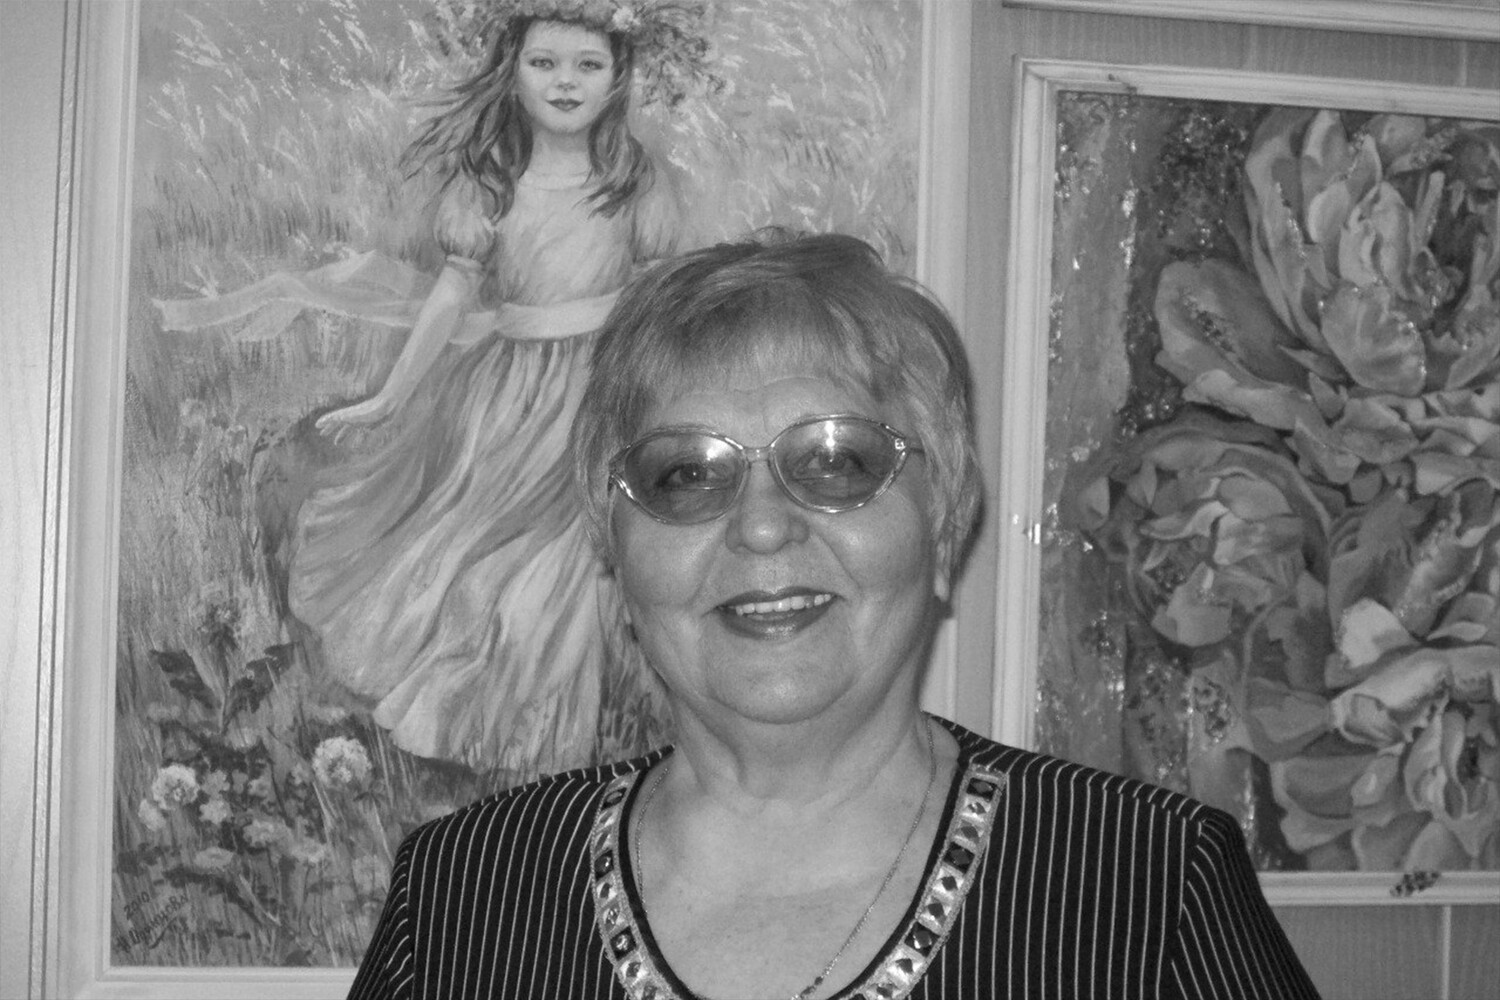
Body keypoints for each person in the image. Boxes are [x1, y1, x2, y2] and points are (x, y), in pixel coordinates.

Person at [347, 231, 1321, 999]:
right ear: (615, 547)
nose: (762, 527)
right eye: (686, 475)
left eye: (836, 462)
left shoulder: (1150, 888)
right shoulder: (461, 897)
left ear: (945, 525)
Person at [161, 1, 689, 772]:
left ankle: (547, 753)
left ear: (617, 78)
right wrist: (390, 398)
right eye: (544, 63)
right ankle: (485, 734)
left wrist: (657, 396)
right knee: (462, 560)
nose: (565, 82)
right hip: (504, 405)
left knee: (560, 570)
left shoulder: (633, 184)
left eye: (588, 65)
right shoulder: (491, 185)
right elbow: (450, 299)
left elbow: (662, 297)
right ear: (512, 74)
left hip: (599, 396)